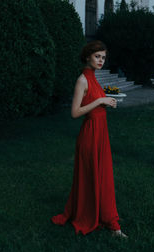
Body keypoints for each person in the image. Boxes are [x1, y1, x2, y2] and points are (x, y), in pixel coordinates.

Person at [51, 40, 128, 239]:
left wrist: (107, 101)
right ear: (88, 57)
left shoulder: (93, 78)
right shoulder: (82, 80)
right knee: (92, 177)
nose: (101, 60)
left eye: (103, 57)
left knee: (103, 177)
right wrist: (100, 100)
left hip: (101, 135)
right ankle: (105, 221)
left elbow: (95, 104)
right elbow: (75, 113)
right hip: (90, 136)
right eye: (97, 56)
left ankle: (108, 218)